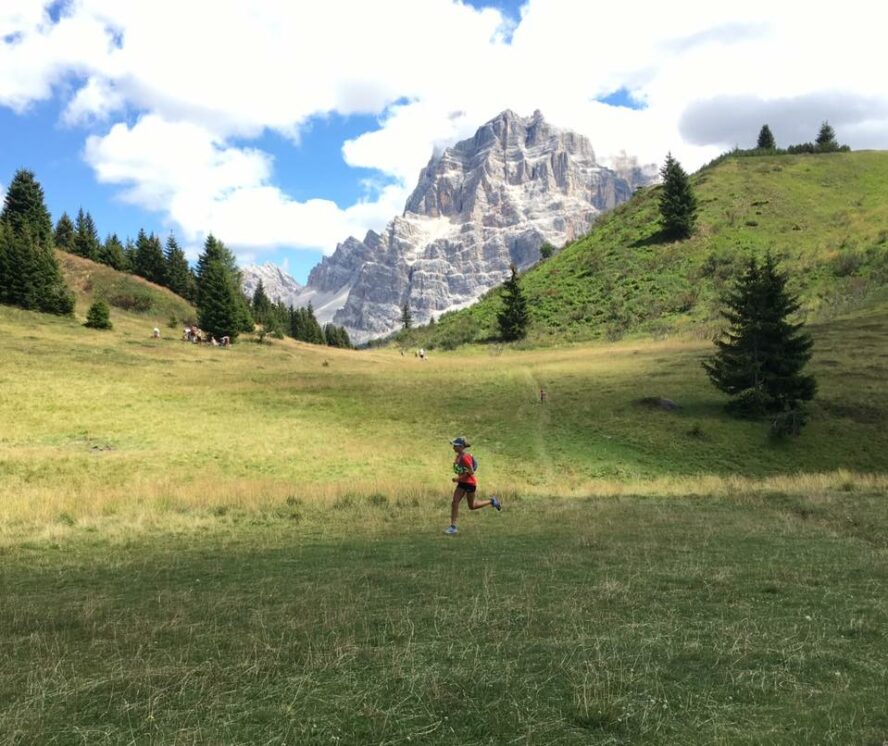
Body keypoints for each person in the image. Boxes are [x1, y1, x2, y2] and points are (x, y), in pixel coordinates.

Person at [444, 437, 500, 535]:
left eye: (455, 445)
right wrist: (460, 479)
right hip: (462, 483)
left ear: (461, 447)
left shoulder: (465, 457)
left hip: (470, 483)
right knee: (454, 502)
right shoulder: (458, 456)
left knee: (472, 506)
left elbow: (471, 471)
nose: (453, 447)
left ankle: (492, 501)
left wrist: (458, 479)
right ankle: (453, 527)